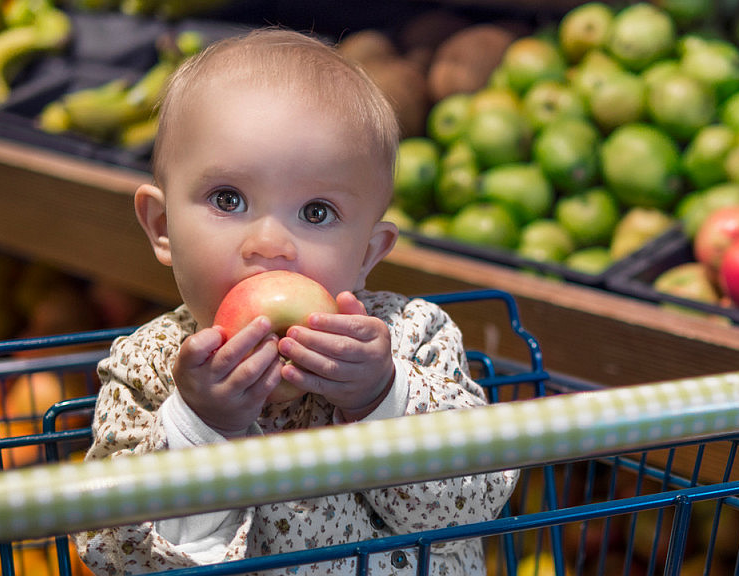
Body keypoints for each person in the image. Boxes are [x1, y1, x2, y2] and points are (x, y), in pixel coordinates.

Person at [75, 27, 518, 575]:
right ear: (163, 228)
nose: (270, 244)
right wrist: (199, 428)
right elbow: (117, 554)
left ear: (367, 252)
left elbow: (477, 498)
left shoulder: (411, 337)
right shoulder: (149, 370)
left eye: (316, 213)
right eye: (228, 198)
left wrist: (383, 394)